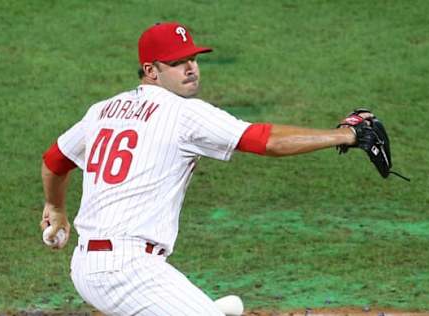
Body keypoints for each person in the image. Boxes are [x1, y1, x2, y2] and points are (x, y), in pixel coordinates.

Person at [40, 22, 357, 315]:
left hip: (87, 266)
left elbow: (54, 160)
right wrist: (346, 135)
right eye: (177, 63)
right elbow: (265, 141)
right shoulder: (183, 113)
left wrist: (55, 207)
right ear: (151, 70)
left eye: (192, 59)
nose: (191, 68)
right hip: (128, 270)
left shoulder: (102, 110)